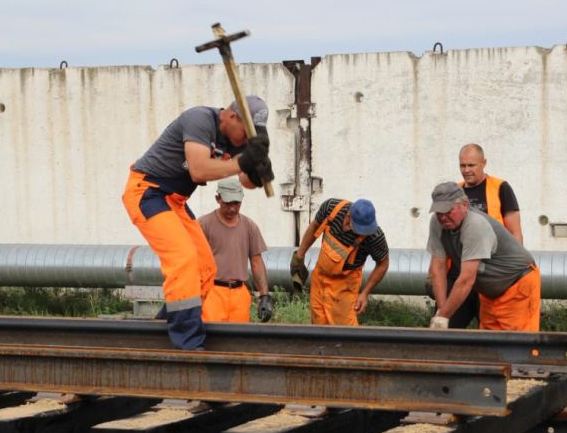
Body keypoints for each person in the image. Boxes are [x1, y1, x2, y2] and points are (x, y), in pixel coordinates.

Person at [121, 96, 274, 350]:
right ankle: (187, 341)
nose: (246, 140)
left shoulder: (237, 141)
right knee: (183, 259)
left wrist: (259, 172)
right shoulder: (200, 120)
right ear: (231, 117)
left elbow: (245, 180)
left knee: (205, 268)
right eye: (246, 134)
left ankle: (165, 326)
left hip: (175, 200)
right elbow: (199, 170)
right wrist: (241, 162)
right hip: (147, 191)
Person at [426, 182, 540, 332]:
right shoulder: (437, 223)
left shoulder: (475, 225)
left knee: (518, 345)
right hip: (489, 291)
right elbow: (437, 269)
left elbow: (466, 279)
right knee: (489, 344)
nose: (443, 217)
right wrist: (441, 311)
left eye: (449, 210)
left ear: (465, 205)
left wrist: (444, 316)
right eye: (439, 212)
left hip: (517, 285)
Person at [445, 143, 523, 328]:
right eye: (462, 165)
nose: (466, 170)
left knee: (492, 334)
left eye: (471, 165)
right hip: (459, 275)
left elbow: (516, 234)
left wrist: (511, 276)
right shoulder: (454, 191)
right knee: (445, 329)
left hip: (490, 276)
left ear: (484, 163)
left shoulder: (500, 188)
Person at [290, 198, 389, 326]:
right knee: (318, 326)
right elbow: (314, 227)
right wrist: (299, 257)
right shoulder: (331, 208)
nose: (365, 232)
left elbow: (383, 264)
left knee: (344, 333)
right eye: (361, 228)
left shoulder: (374, 236)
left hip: (344, 286)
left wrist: (365, 293)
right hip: (319, 278)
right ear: (349, 216)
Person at [198, 178, 274, 323]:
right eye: (227, 203)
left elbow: (256, 262)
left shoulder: (249, 226)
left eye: (236, 203)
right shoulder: (203, 225)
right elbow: (193, 261)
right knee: (212, 340)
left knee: (238, 341)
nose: (232, 208)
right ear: (217, 199)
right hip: (212, 292)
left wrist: (265, 296)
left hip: (240, 294)